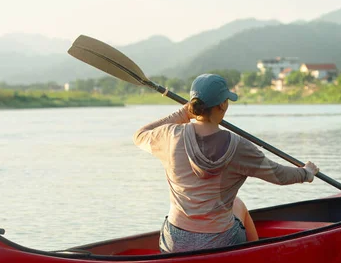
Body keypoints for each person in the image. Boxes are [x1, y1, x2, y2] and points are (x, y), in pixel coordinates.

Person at [133, 73, 319, 253]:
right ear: (222, 104)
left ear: (193, 105)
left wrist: (182, 114)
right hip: (220, 241)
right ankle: (255, 257)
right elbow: (279, 175)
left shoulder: (170, 136)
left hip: (174, 240)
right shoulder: (240, 147)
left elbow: (139, 135)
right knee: (239, 205)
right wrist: (306, 173)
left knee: (233, 205)